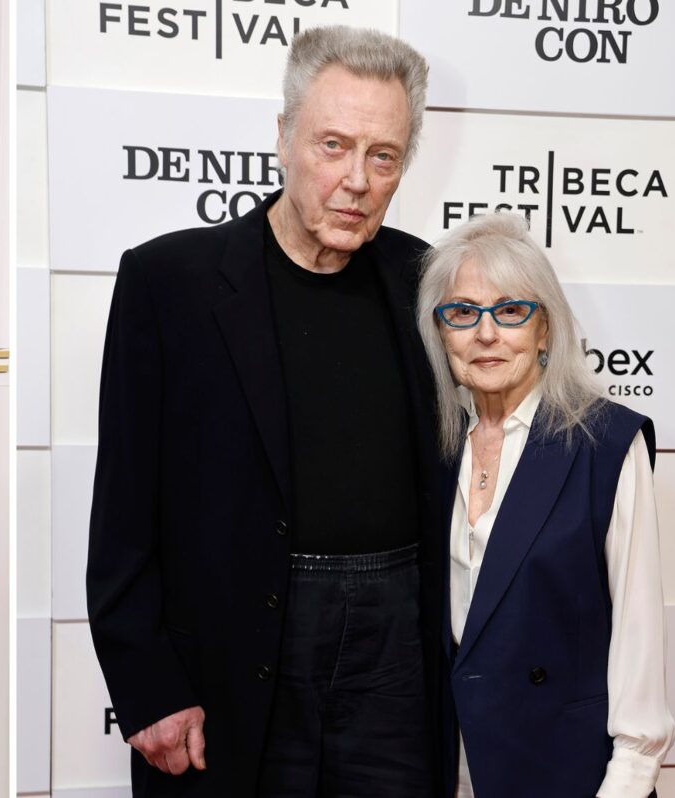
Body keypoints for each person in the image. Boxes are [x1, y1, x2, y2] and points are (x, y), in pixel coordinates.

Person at [86, 26, 442, 795]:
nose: (356, 179)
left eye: (383, 156)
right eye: (333, 146)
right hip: (231, 664)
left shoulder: (430, 281)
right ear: (283, 137)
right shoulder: (167, 283)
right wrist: (148, 687)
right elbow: (122, 514)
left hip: (396, 672)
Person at [416, 212, 675, 798]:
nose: (485, 334)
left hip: (566, 774)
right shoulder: (434, 449)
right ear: (440, 334)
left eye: (510, 311)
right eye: (461, 313)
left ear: (546, 330)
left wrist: (628, 782)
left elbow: (638, 636)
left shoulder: (604, 443)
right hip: (451, 771)